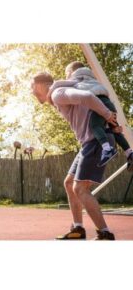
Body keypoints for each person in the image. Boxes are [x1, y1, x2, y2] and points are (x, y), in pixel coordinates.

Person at [31, 72, 117, 240]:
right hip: (88, 143)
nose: (32, 91)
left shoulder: (57, 93)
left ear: (41, 85)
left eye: (32, 87)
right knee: (69, 183)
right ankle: (78, 228)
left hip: (96, 141)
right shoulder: (60, 92)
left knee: (80, 189)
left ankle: (105, 233)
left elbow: (87, 96)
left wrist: (107, 115)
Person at [49, 61, 133, 169]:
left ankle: (107, 149)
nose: (67, 78)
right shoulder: (92, 77)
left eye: (66, 75)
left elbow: (60, 84)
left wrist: (52, 88)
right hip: (109, 103)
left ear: (70, 72)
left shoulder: (77, 78)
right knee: (114, 129)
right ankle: (129, 152)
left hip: (100, 102)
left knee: (95, 126)